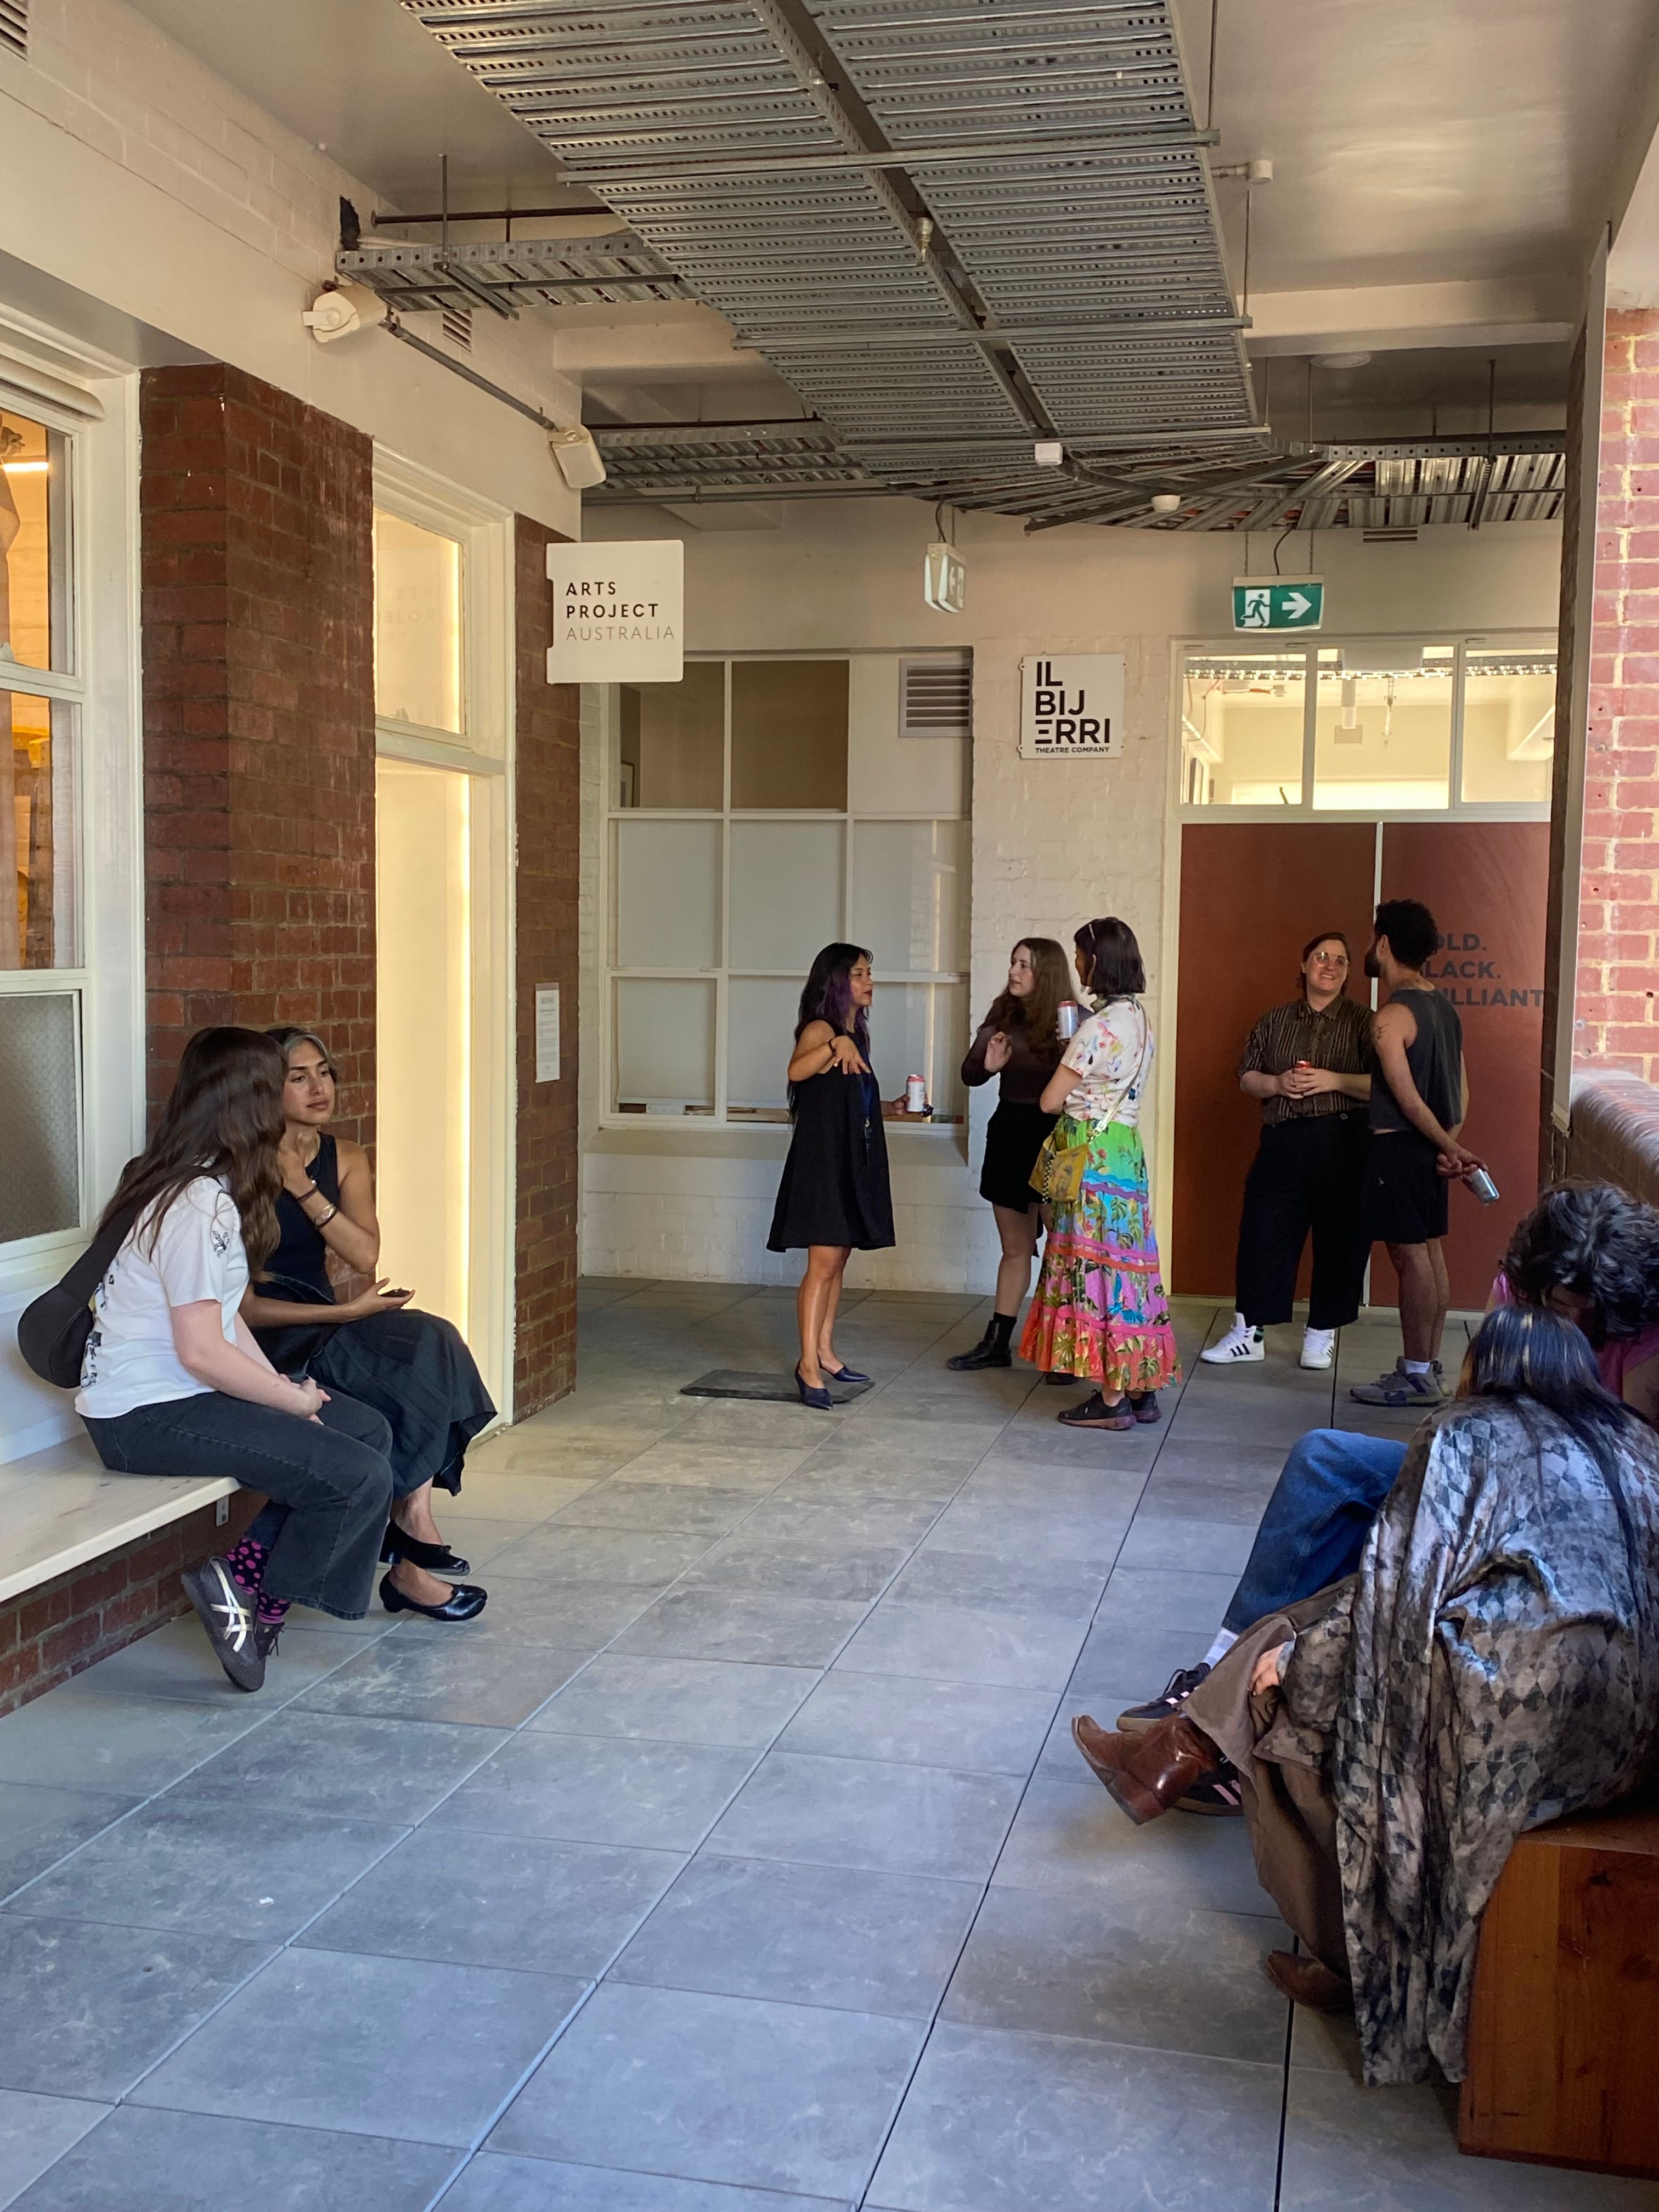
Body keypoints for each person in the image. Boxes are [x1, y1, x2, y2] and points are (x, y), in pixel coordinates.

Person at [1070, 1302, 1659, 2089]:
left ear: (1484, 1371)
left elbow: (1401, 1605)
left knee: (1287, 1704)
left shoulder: (1468, 1441)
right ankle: (1181, 1742)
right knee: (1322, 1618)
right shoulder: (1635, 1444)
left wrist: (1298, 1666)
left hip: (1514, 1737)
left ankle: (1342, 1949)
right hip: (1635, 1736)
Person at [1115, 1181, 1659, 1756]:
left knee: (1385, 1544)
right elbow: (1479, 1406)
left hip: (1574, 1516)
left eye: (1581, 1311)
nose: (1561, 1320)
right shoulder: (1519, 1289)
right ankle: (1220, 1668)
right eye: (1551, 1303)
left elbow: (1633, 1469)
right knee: (1326, 1462)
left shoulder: (1645, 1336)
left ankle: (1245, 1716)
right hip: (1496, 1466)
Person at [74, 1027, 401, 1693]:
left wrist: (284, 1390)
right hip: (144, 1415)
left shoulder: (208, 1188)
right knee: (357, 1474)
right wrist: (291, 1403)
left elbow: (222, 1322)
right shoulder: (194, 1204)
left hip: (183, 1396)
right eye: (270, 1088)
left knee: (364, 1429)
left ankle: (243, 1580)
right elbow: (200, 1351)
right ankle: (258, 1609)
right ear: (243, 1103)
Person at [238, 1026, 493, 1621]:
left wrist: (302, 1186)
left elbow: (363, 1256)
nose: (317, 1087)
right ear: (265, 1088)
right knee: (401, 1392)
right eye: (297, 1077)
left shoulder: (344, 1156)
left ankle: (411, 1522)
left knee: (434, 1342)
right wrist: (346, 1313)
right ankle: (408, 1566)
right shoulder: (240, 1165)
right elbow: (241, 1308)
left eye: (324, 1072)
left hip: (330, 1325)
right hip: (271, 1336)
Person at [1020, 917, 1181, 1430]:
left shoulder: (1096, 1027)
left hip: (1088, 1157)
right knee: (1131, 1268)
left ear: (1097, 961)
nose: (1077, 963)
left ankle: (1109, 1400)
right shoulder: (1140, 1020)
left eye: (1080, 954)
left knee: (1096, 1272)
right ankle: (1141, 1388)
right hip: (1125, 1155)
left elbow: (1050, 1101)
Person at [1200, 932, 1372, 1374]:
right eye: (1320, 957)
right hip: (1283, 1138)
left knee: (1340, 1238)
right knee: (1262, 1234)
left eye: (1339, 960)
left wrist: (1335, 1080)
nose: (1329, 966)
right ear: (1304, 965)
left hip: (1344, 1137)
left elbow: (1385, 1085)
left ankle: (1322, 1334)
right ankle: (1249, 1332)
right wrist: (1276, 1084)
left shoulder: (1365, 1023)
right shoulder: (1275, 1021)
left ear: (1349, 971)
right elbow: (1246, 1077)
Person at [1349, 897, 1485, 1408]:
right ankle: (1426, 1368)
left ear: (1384, 944)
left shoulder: (1392, 1016)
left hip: (1400, 1149)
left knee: (1412, 1259)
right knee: (1429, 1251)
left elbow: (1405, 1097)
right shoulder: (1444, 1010)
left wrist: (1449, 1148)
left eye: (1372, 939)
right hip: (1429, 1147)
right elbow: (1461, 1091)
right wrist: (1449, 1144)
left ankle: (1415, 1375)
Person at [768, 943, 896, 1409]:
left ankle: (825, 1350)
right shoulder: (823, 1029)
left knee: (839, 1258)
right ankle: (806, 1364)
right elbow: (797, 1071)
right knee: (822, 1262)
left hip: (847, 1158)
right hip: (822, 1161)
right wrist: (832, 1044)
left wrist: (890, 1107)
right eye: (860, 974)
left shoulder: (853, 1035)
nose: (869, 983)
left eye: (868, 974)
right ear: (837, 981)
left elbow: (846, 1098)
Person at [947, 937, 1070, 1372]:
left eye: (1024, 965)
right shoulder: (1003, 1014)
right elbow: (969, 1073)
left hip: (1056, 1140)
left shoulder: (1070, 1019)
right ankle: (997, 1343)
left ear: (1046, 973)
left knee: (1062, 1248)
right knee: (1016, 1248)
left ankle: (1061, 1351)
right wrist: (989, 1066)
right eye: (1013, 963)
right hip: (1010, 1135)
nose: (1014, 972)